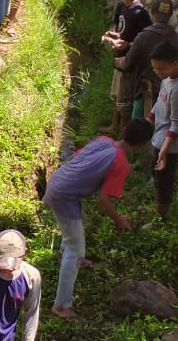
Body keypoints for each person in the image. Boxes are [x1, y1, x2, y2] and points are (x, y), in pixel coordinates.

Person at [42, 120, 154, 320]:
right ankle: (61, 306)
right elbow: (103, 200)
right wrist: (118, 220)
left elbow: (76, 158)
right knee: (76, 251)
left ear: (124, 130)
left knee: (78, 224)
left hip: (59, 181)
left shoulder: (104, 140)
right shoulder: (121, 164)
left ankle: (67, 256)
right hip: (64, 195)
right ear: (142, 144)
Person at [113, 0, 178, 124]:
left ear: (152, 14)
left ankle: (121, 129)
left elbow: (127, 64)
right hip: (167, 93)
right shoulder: (175, 37)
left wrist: (118, 61)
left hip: (146, 94)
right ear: (170, 15)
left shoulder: (143, 36)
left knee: (138, 129)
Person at [101, 0, 151, 133]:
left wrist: (127, 45)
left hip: (130, 62)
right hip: (119, 59)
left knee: (125, 101)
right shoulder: (121, 5)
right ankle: (114, 126)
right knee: (116, 95)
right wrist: (112, 35)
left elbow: (146, 40)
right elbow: (117, 26)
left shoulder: (140, 13)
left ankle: (123, 134)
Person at [148, 42, 178, 219]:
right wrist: (150, 118)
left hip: (169, 146)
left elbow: (177, 124)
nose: (157, 72)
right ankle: (156, 207)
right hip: (160, 138)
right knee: (157, 176)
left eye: (161, 68)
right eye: (154, 68)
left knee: (164, 183)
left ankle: (160, 218)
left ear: (175, 63)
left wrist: (164, 151)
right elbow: (160, 101)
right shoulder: (169, 77)